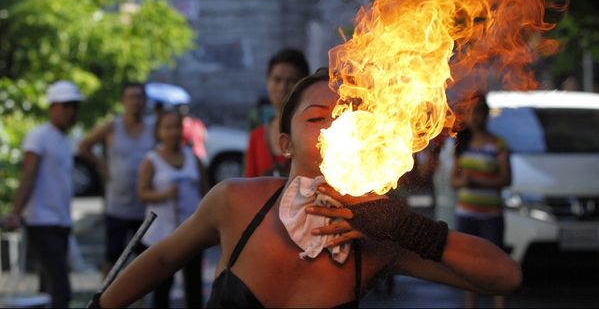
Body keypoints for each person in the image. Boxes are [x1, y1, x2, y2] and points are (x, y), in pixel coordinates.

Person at [93, 68, 521, 308]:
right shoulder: (235, 200)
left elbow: (505, 277)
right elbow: (165, 256)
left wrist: (405, 227)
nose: (335, 127)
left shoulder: (379, 237)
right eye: (317, 118)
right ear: (285, 143)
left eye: (346, 117)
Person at [2, 81, 84, 308]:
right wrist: (16, 212)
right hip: (42, 221)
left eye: (74, 106)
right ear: (53, 107)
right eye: (66, 105)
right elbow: (28, 175)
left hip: (61, 220)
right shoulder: (38, 136)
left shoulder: (64, 139)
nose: (71, 111)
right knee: (61, 289)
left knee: (48, 287)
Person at [78, 82, 155, 276]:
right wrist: (103, 166)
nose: (135, 102)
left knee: (144, 257)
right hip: (117, 204)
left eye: (138, 97)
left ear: (145, 101)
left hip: (145, 205)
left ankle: (140, 303)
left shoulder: (152, 128)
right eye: (130, 97)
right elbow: (84, 146)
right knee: (113, 256)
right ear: (123, 101)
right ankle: (104, 300)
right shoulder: (112, 127)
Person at [137, 109, 209, 308]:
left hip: (191, 233)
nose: (173, 132)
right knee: (162, 289)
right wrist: (164, 194)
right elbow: (142, 193)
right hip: (160, 236)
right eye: (168, 127)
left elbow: (207, 191)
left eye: (177, 126)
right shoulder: (151, 160)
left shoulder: (192, 157)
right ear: (159, 131)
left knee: (193, 286)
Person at [450, 94, 512, 309]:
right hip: (466, 213)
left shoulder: (498, 144)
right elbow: (453, 181)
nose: (475, 118)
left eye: (480, 113)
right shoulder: (462, 145)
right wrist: (463, 181)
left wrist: (476, 181)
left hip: (490, 215)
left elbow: (506, 178)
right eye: (472, 112)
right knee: (469, 267)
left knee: (495, 263)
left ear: (486, 115)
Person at [244, 48, 310, 177]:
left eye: (291, 81)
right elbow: (248, 186)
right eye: (277, 80)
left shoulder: (314, 135)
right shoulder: (256, 137)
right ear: (268, 82)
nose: (282, 87)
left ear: (304, 85)